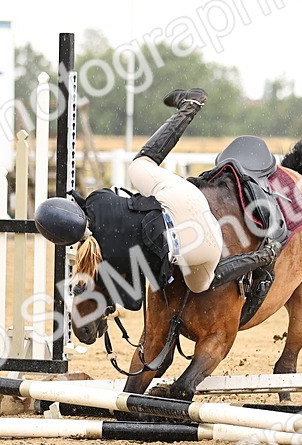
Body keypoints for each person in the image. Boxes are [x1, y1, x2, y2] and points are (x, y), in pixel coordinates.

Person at [37, 88, 280, 294]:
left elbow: (133, 299)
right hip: (185, 199)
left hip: (200, 246)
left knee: (201, 286)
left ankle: (261, 257)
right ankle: (190, 105)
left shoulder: (103, 258)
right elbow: (129, 200)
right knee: (139, 165)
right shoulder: (97, 200)